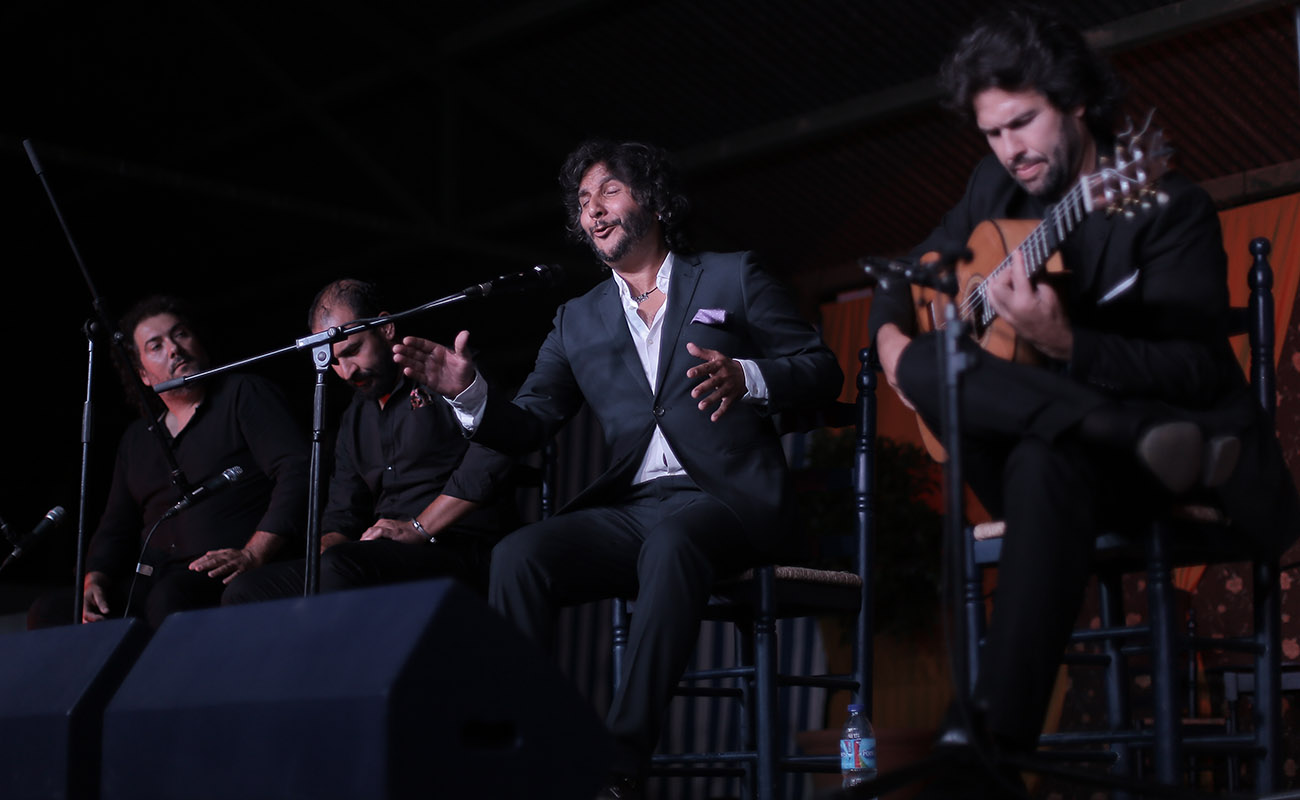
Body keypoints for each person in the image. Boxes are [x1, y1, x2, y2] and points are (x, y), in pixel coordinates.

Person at [866, 6, 1300, 797]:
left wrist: (1070, 344)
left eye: (1023, 123)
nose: (1010, 150)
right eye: (992, 133)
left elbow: (1197, 377)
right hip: (1130, 438)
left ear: (1073, 102)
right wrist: (894, 350)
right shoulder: (992, 188)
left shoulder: (1168, 208)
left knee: (1043, 459)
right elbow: (900, 278)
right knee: (931, 367)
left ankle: (985, 748)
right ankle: (1115, 428)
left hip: (1166, 468)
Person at [392, 139, 843, 799]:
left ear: (652, 201)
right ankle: (520, 749)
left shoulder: (731, 276)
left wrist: (748, 376)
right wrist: (470, 394)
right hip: (639, 506)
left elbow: (821, 370)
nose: (593, 211)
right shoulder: (577, 319)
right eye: (582, 202)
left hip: (731, 500)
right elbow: (529, 423)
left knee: (673, 542)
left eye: (608, 191)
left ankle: (619, 760)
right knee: (521, 554)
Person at [222, 278, 519, 604]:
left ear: (386, 328)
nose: (347, 371)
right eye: (334, 361)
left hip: (460, 545)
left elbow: (492, 457)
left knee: (341, 567)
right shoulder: (354, 417)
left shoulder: (446, 374)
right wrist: (325, 544)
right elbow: (344, 511)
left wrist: (417, 527)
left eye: (353, 350)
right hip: (380, 553)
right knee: (246, 590)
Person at [27, 294, 310, 631]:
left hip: (225, 569)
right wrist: (94, 579)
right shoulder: (137, 439)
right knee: (51, 611)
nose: (174, 349)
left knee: (170, 597)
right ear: (143, 374)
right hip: (153, 577)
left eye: (180, 334)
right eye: (156, 346)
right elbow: (115, 524)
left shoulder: (242, 393)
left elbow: (297, 469)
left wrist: (254, 552)